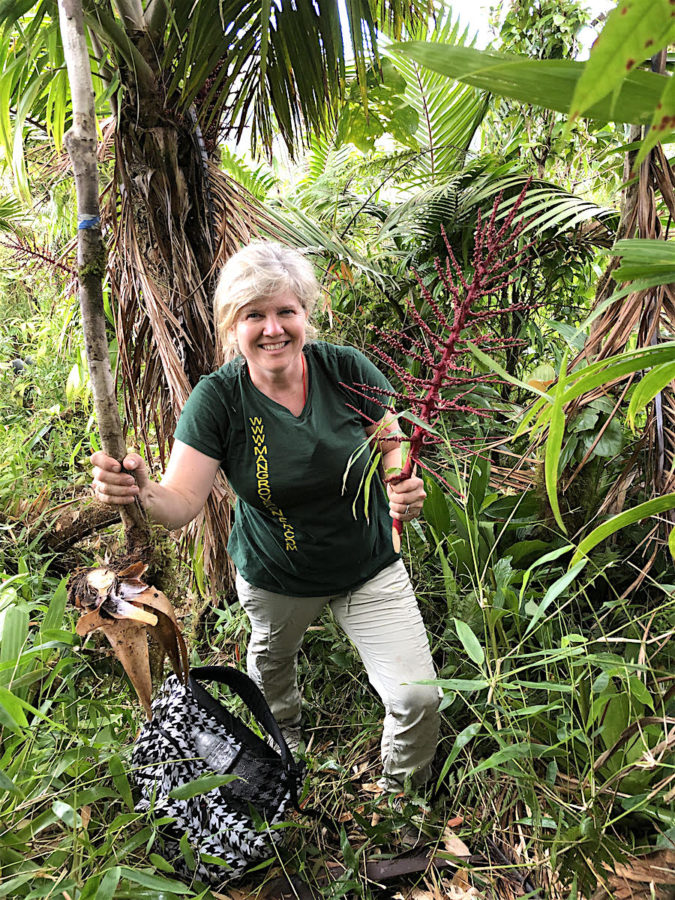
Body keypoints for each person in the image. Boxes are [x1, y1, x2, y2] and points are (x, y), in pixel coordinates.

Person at [91, 241, 440, 793]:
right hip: (277, 573)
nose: (272, 328)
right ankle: (287, 739)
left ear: (306, 316)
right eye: (255, 315)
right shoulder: (219, 400)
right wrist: (138, 490)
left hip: (368, 563)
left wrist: (402, 482)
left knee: (417, 695)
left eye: (285, 312)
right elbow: (180, 502)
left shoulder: (345, 369)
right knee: (273, 664)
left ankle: (400, 799)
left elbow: (391, 439)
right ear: (234, 326)